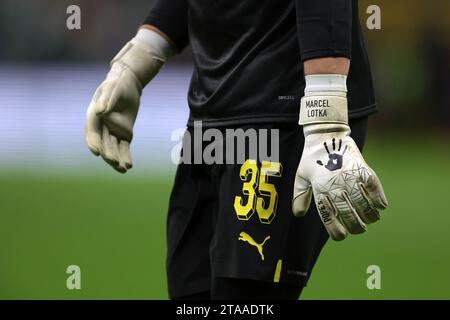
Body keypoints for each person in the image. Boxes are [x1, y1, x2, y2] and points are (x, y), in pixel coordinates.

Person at [85, 0, 388, 300]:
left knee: (244, 298)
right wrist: (137, 60)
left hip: (286, 112)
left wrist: (326, 120)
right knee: (190, 291)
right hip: (212, 110)